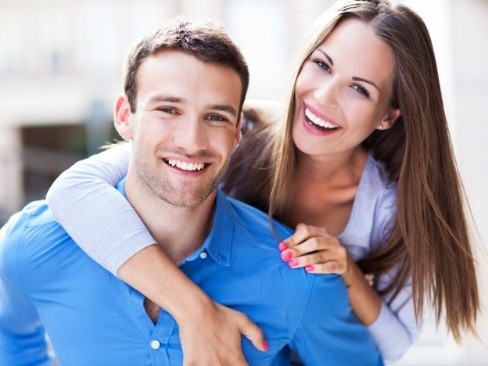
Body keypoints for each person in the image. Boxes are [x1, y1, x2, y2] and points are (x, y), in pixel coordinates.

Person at [45, 0, 479, 363]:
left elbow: (390, 344)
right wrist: (194, 311)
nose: (323, 97)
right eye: (322, 65)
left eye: (359, 89)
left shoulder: (391, 209)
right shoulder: (236, 132)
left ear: (388, 116)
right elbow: (73, 191)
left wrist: (344, 270)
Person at [0, 17, 383, 366]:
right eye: (168, 109)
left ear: (236, 136)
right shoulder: (31, 246)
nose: (191, 140)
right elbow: (11, 343)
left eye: (215, 117)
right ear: (124, 117)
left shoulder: (298, 277)